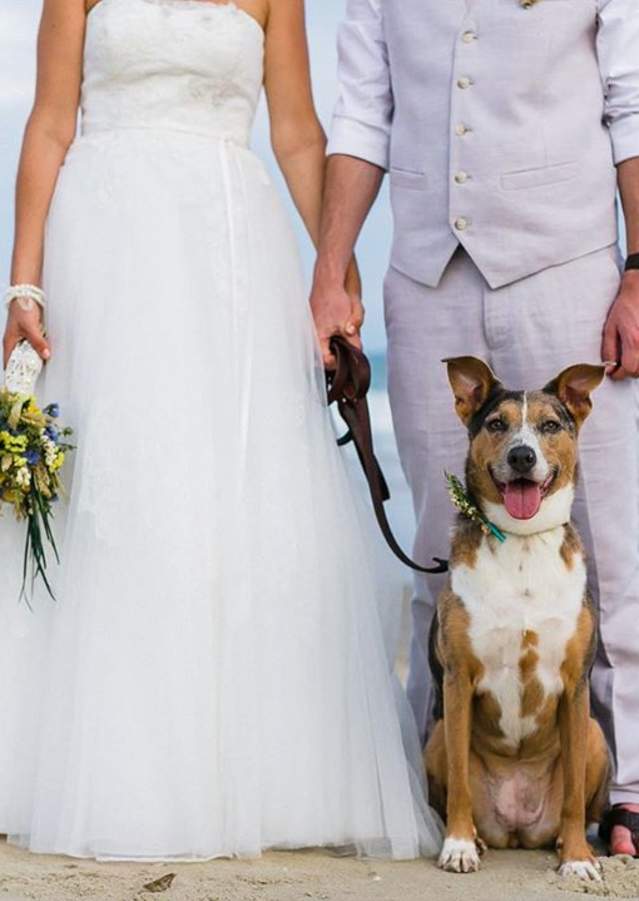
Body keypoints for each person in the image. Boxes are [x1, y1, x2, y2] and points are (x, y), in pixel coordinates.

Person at [0, 0, 441, 860]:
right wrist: (25, 283)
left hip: (226, 246)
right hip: (105, 241)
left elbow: (299, 136)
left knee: (222, 493)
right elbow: (50, 123)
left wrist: (334, 277)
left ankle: (235, 767)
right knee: (116, 489)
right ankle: (88, 759)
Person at [311, 0, 639, 857]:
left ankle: (626, 792)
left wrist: (638, 268)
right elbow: (361, 112)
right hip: (422, 276)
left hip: (565, 267)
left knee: (605, 554)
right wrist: (329, 272)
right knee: (436, 556)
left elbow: (630, 99)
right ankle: (441, 799)